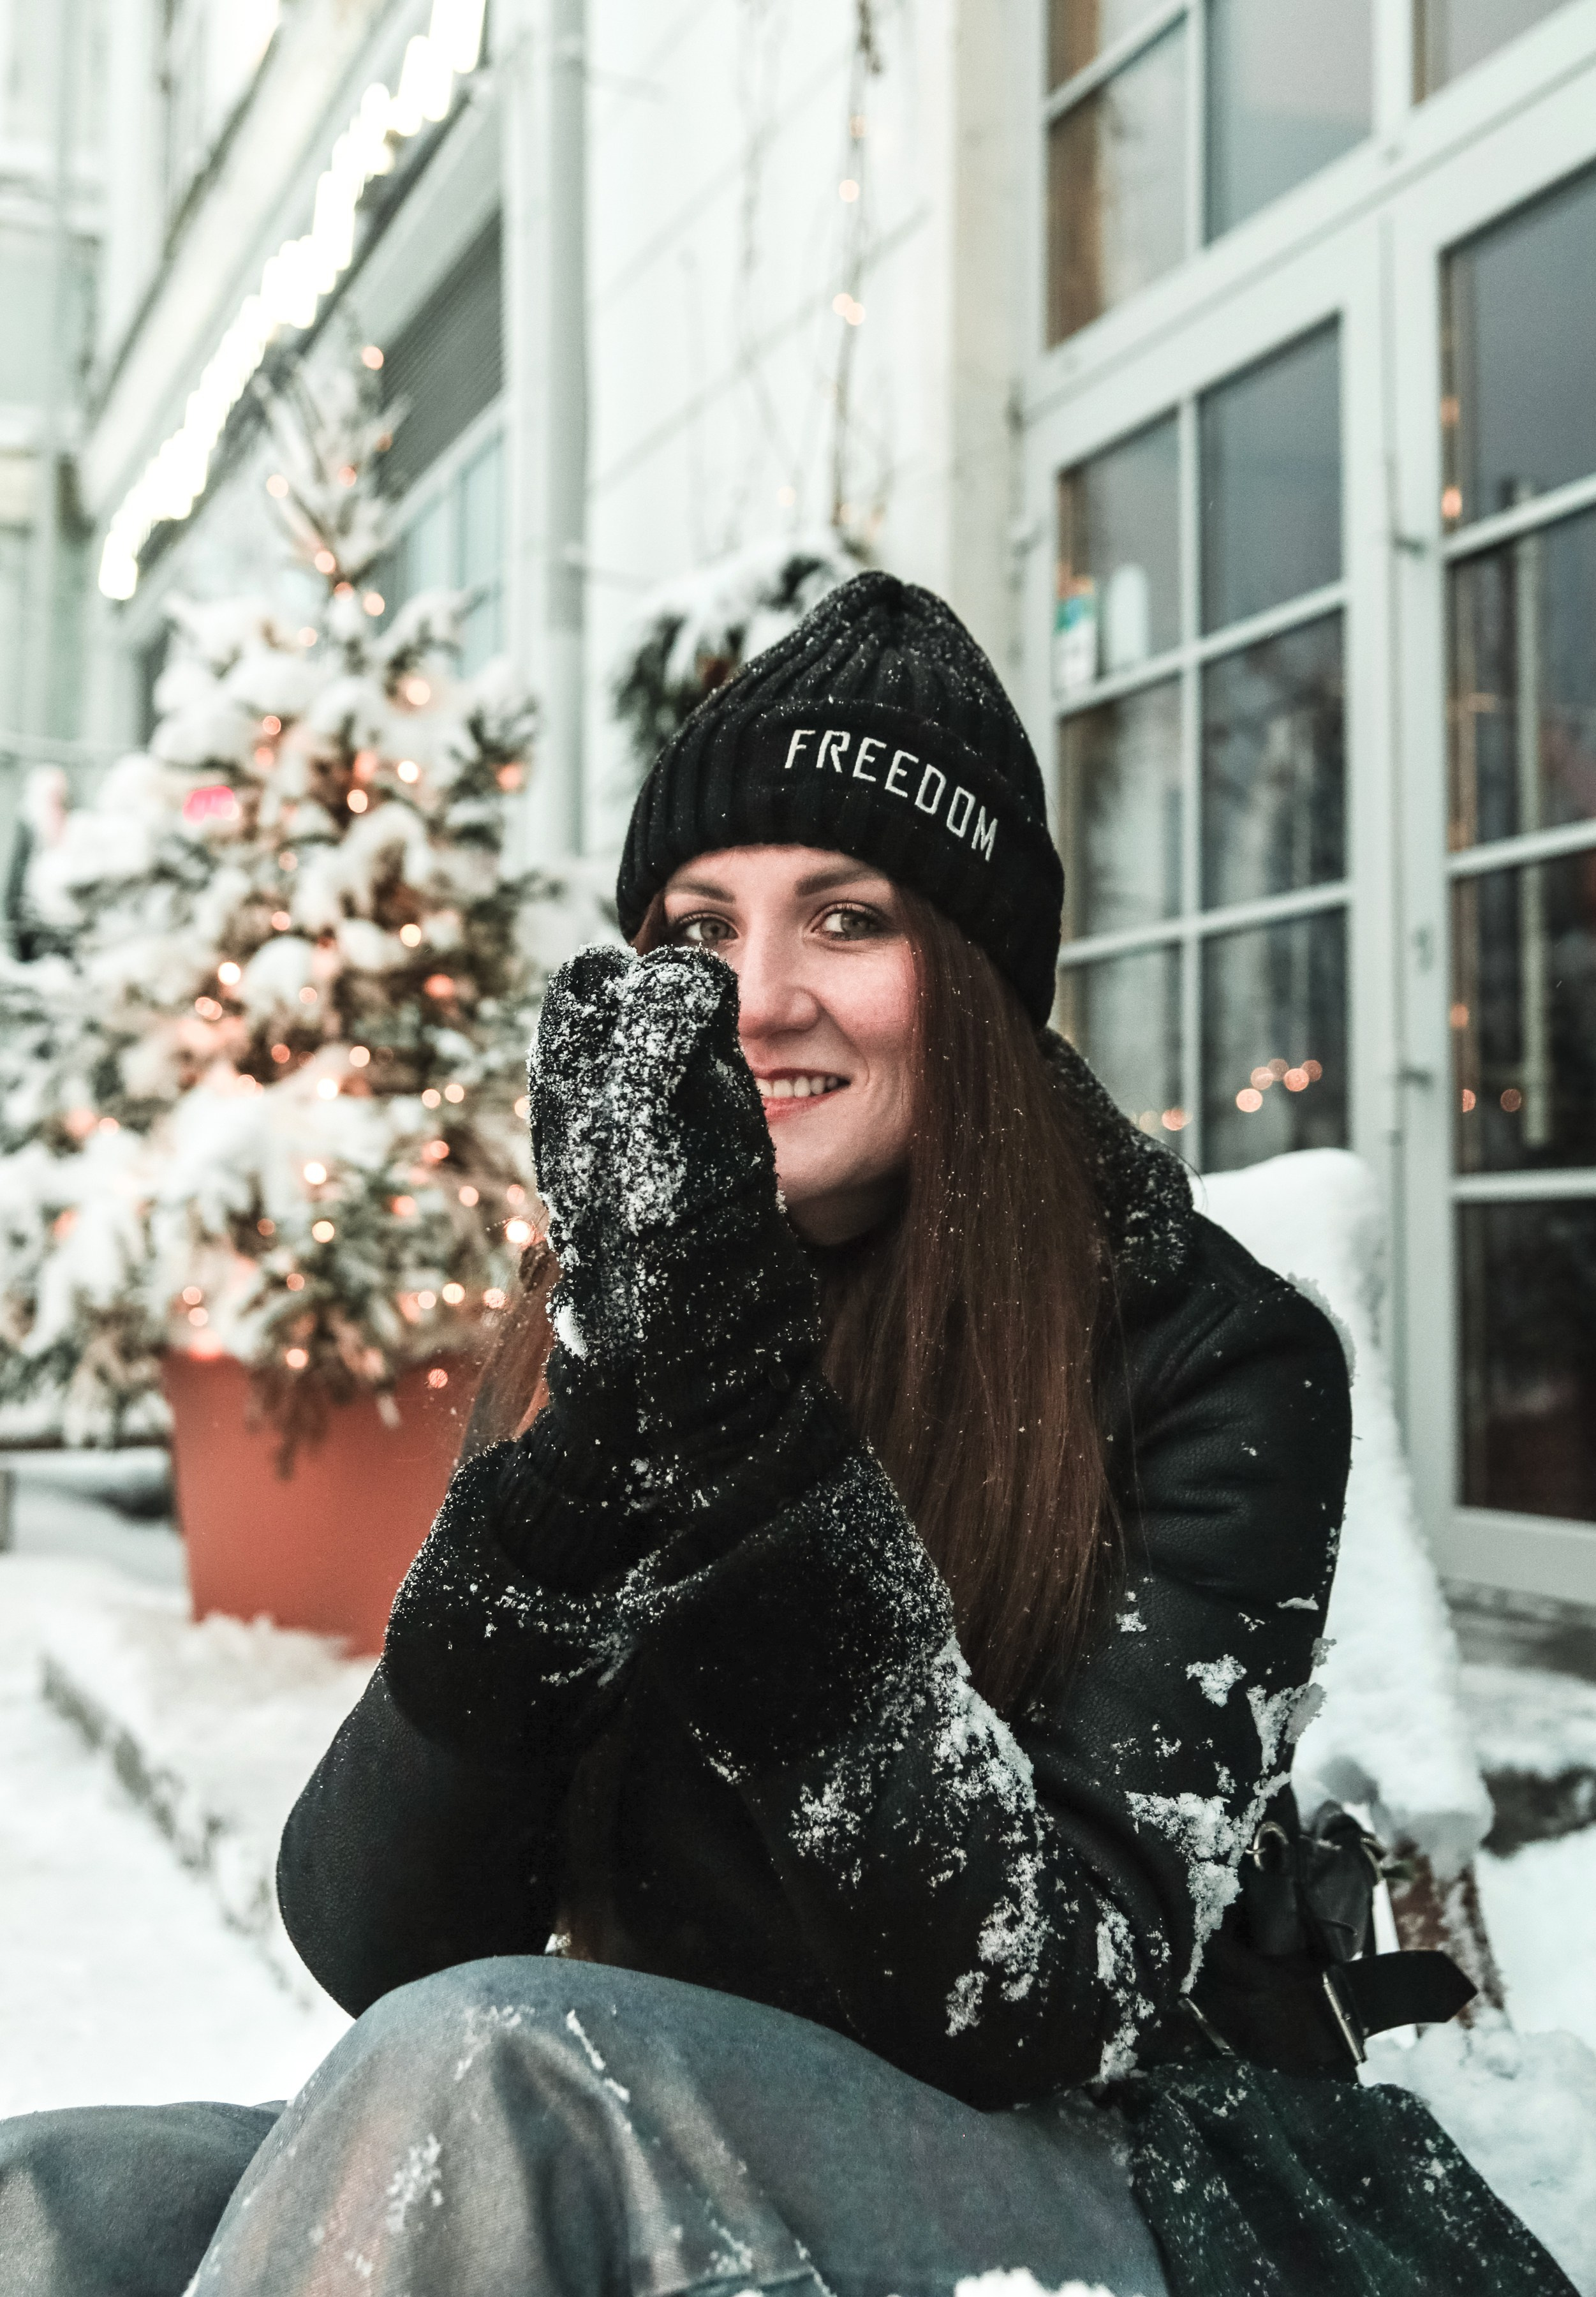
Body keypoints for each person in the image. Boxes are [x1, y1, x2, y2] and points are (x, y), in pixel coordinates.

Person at [0, 574, 1572, 2297]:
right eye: (698, 930)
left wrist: (762, 1477)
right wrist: (572, 1492)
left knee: (490, 2070)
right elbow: (383, 1937)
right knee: (60, 2202)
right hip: (632, 2108)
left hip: (1085, 2184)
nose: (757, 999)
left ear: (972, 977)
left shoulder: (1210, 1357)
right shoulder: (628, 1307)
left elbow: (1055, 2004)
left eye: (847, 920)